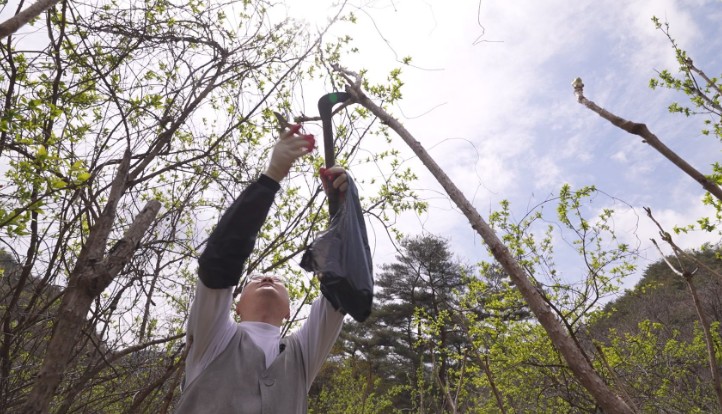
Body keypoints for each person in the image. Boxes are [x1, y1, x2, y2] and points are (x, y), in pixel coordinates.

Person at [175, 123, 349, 413]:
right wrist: (272, 176)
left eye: (279, 281)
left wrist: (343, 211)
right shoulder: (214, 338)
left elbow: (342, 288)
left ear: (289, 311)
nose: (268, 277)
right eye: (254, 279)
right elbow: (220, 261)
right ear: (236, 307)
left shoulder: (302, 355)